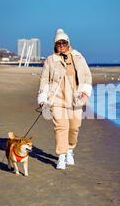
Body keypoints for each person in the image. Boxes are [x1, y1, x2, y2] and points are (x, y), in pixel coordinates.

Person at [37, 28, 92, 170]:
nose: (61, 46)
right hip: (57, 99)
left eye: (63, 43)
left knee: (74, 127)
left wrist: (85, 93)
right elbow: (44, 80)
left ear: (68, 43)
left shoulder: (78, 57)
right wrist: (43, 97)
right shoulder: (50, 60)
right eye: (58, 44)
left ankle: (70, 150)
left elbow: (87, 76)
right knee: (62, 127)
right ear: (55, 45)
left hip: (76, 99)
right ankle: (61, 157)